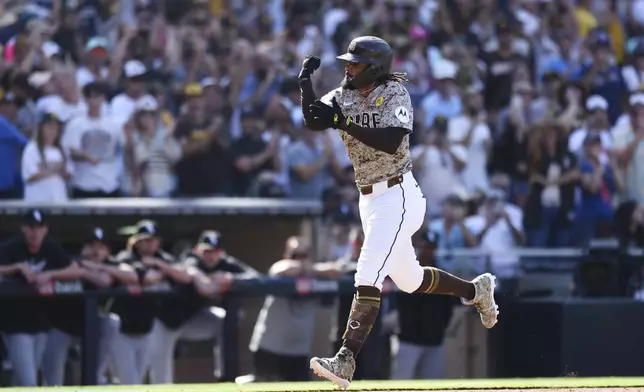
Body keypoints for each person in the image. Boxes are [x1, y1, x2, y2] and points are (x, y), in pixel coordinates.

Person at [299, 36, 499, 389]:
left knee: (368, 268)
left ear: (375, 67)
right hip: (369, 198)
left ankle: (345, 359)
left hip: (399, 193)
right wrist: (305, 87)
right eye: (348, 61)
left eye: (356, 63)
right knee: (410, 280)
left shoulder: (394, 93)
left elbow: (391, 140)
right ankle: (475, 290)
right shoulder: (344, 92)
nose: (349, 66)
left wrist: (342, 122)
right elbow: (315, 120)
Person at [149, 230, 258, 383]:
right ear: (197, 250)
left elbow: (255, 277)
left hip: (193, 319)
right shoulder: (190, 259)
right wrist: (215, 281)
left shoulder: (225, 263)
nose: (210, 255)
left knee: (226, 319)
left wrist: (231, 277)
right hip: (166, 321)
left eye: (215, 251)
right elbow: (204, 287)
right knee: (161, 378)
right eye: (206, 251)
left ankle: (224, 376)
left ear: (221, 252)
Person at [0, 209, 80, 386]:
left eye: (39, 227)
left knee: (23, 380)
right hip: (15, 325)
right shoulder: (12, 247)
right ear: (24, 229)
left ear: (46, 229)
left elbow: (75, 270)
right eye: (31, 227)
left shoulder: (50, 247)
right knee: (29, 383)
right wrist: (17, 267)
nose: (35, 232)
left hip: (41, 323)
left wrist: (51, 274)